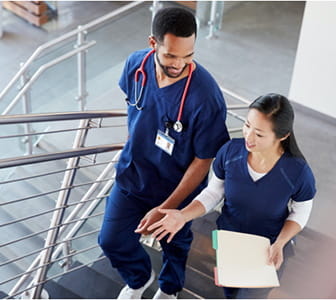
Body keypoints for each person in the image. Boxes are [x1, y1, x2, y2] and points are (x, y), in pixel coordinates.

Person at [98, 7, 230, 299]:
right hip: (133, 176)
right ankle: (140, 278)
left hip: (177, 190)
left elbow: (204, 158)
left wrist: (168, 207)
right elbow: (134, 107)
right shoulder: (136, 66)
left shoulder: (205, 97)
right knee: (111, 240)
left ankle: (169, 290)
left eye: (188, 55)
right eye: (171, 55)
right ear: (152, 43)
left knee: (175, 245)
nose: (179, 64)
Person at [148, 93, 317, 299]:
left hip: (267, 250)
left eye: (260, 134)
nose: (249, 137)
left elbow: (301, 210)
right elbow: (213, 192)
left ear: (282, 136)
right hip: (230, 242)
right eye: (247, 126)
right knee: (230, 292)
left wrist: (281, 242)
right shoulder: (230, 152)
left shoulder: (297, 172)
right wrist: (183, 215)